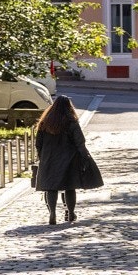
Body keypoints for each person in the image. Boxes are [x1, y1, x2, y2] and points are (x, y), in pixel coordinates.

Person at [33, 94, 90, 224]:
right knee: (70, 187)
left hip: (49, 158)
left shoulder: (44, 123)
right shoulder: (71, 122)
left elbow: (38, 143)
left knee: (51, 188)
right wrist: (84, 156)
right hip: (69, 159)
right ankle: (70, 213)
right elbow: (80, 142)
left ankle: (52, 212)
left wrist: (42, 157)